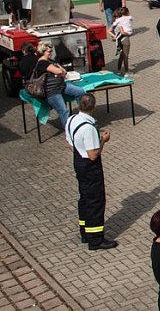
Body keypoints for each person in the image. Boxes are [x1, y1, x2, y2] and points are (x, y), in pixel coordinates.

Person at [65, 94, 117, 251]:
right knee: (95, 200)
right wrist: (103, 141)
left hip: (78, 161)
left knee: (85, 198)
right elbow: (93, 155)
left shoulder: (71, 120)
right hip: (90, 167)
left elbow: (68, 143)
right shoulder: (89, 128)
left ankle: (85, 232)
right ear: (93, 107)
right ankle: (95, 240)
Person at [33, 42, 87, 129]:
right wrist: (58, 72)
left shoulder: (51, 61)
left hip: (61, 86)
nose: (50, 52)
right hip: (52, 91)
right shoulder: (42, 62)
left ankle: (84, 115)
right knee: (63, 111)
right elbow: (59, 71)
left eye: (51, 51)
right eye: (48, 51)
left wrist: (58, 71)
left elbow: (64, 71)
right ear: (43, 51)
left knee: (80, 92)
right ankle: (70, 130)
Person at [110, 6, 133, 76]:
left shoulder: (116, 22)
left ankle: (119, 70)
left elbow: (109, 30)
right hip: (125, 39)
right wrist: (129, 33)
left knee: (121, 56)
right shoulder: (123, 22)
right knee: (126, 56)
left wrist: (115, 37)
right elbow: (123, 32)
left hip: (119, 40)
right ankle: (126, 72)